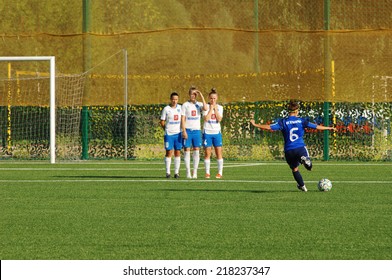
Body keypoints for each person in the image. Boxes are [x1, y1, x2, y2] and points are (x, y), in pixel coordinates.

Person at [250, 100, 336, 192]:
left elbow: (269, 127)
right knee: (309, 167)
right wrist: (328, 128)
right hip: (300, 147)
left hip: (289, 150)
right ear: (296, 111)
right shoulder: (302, 121)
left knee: (294, 169)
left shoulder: (283, 122)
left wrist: (255, 124)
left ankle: (302, 186)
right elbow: (316, 126)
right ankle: (304, 159)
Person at [181, 86, 208, 179]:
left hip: (197, 131)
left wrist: (201, 95)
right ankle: (188, 171)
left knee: (197, 151)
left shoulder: (199, 104)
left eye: (195, 94)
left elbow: (205, 108)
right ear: (189, 94)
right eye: (192, 94)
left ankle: (195, 172)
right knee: (187, 151)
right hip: (188, 130)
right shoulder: (185, 105)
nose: (193, 96)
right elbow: (183, 118)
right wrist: (183, 130)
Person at [160, 92, 182, 179]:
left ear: (178, 100)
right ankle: (168, 172)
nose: (174, 101)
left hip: (178, 134)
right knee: (169, 152)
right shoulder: (166, 109)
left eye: (176, 99)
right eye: (173, 99)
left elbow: (183, 119)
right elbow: (162, 121)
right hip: (169, 134)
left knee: (177, 152)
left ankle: (176, 173)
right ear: (170, 99)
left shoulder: (180, 108)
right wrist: (166, 129)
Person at [203, 88, 224, 179]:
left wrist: (215, 110)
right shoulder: (206, 107)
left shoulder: (220, 108)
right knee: (207, 153)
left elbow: (219, 119)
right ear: (209, 98)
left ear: (217, 98)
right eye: (211, 98)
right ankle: (207, 173)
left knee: (218, 153)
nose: (213, 100)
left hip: (216, 132)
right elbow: (206, 119)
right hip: (207, 132)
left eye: (214, 98)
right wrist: (211, 109)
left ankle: (220, 172)